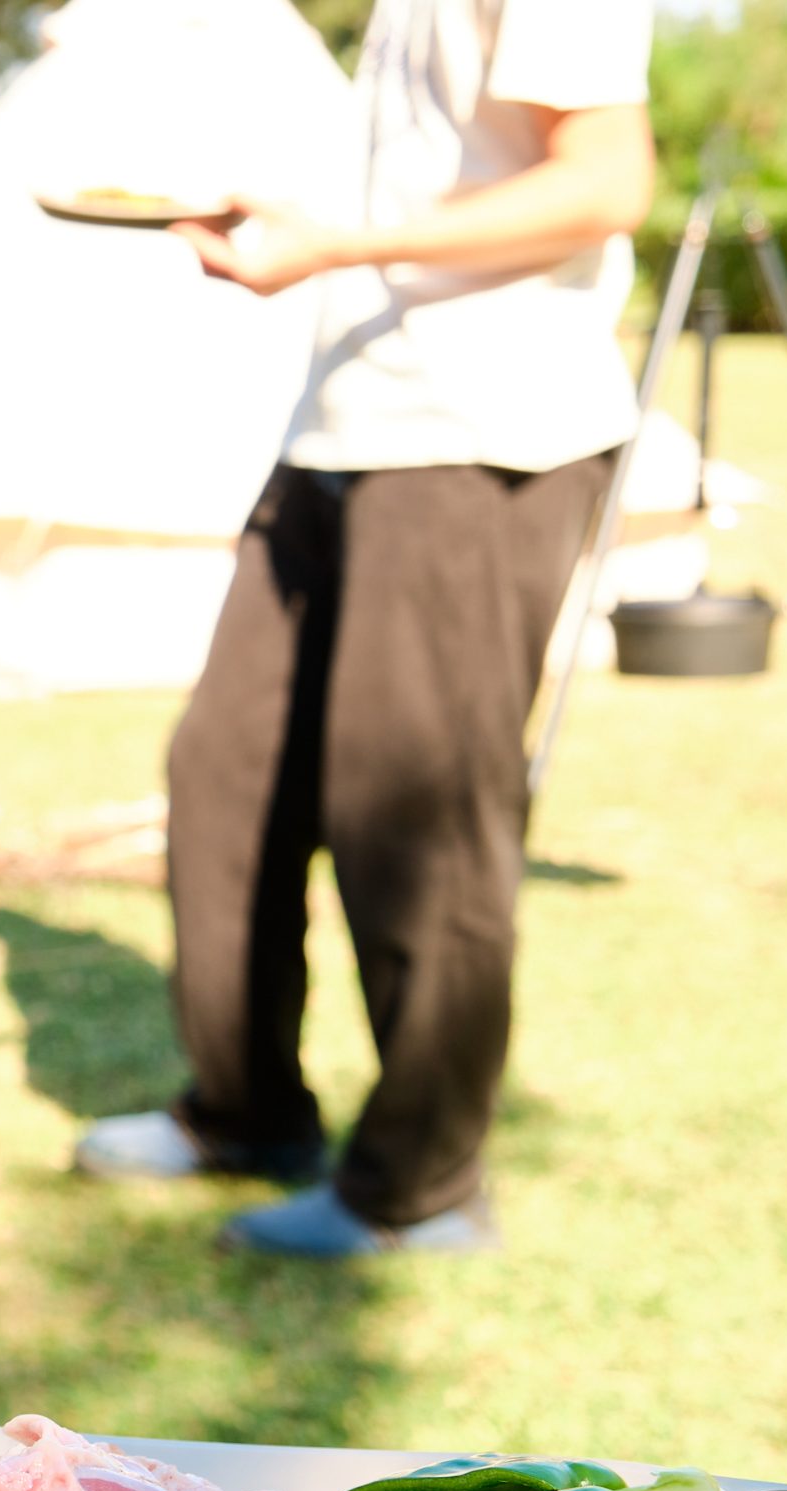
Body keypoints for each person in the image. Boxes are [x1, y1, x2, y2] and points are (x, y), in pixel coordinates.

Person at [73, 0, 657, 1254]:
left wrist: (336, 243)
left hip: (479, 430)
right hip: (344, 422)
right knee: (224, 772)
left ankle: (420, 1189)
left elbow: (607, 178)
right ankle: (245, 1111)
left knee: (419, 814)